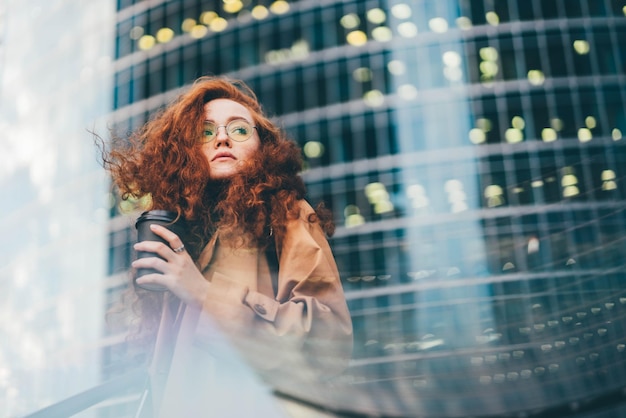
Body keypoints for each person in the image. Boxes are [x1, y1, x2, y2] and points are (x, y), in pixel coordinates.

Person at [102, 76, 353, 416]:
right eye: (205, 133)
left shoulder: (286, 212)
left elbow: (330, 342)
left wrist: (204, 293)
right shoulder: (185, 234)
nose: (221, 138)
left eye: (239, 130)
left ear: (263, 147)